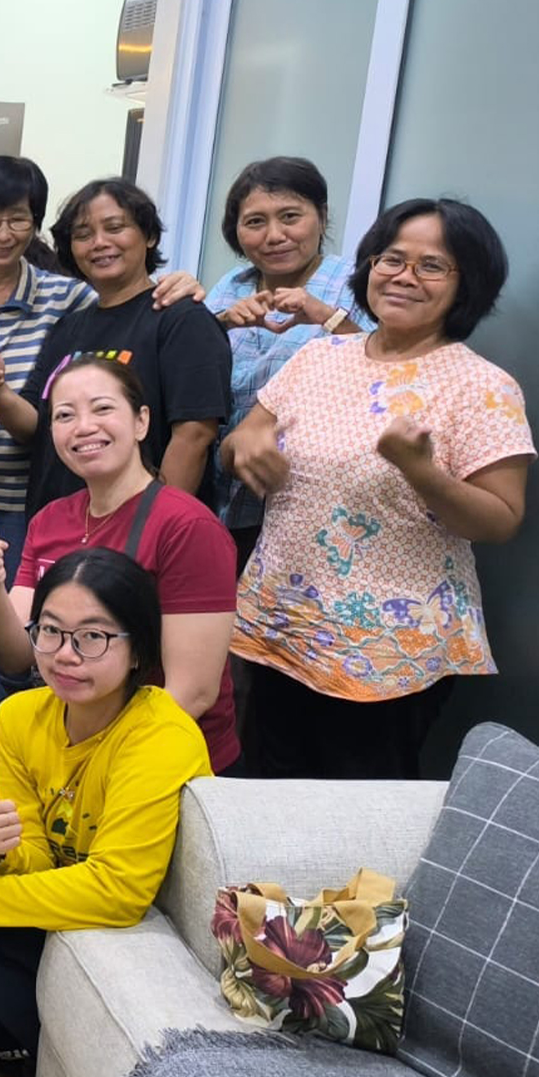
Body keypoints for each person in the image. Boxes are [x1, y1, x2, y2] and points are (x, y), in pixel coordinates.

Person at [0, 159, 208, 727]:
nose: (2, 233)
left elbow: (184, 412)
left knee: (38, 639)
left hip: (30, 504)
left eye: (18, 219)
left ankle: (16, 736)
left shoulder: (70, 300)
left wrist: (183, 283)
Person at [222, 198, 532, 780]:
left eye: (431, 265)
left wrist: (421, 471)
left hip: (388, 650)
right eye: (392, 259)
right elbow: (240, 440)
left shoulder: (482, 386)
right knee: (269, 792)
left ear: (468, 285)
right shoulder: (320, 356)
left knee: (358, 810)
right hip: (281, 626)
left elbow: (501, 519)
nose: (404, 276)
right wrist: (246, 444)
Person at [0, 547, 213, 1054]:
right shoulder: (20, 717)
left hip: (138, 934)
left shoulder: (161, 736)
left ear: (138, 650)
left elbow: (118, 892)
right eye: (50, 630)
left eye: (92, 637)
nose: (65, 654)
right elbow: (38, 861)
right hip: (58, 912)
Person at [0, 357, 238, 769]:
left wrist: (97, 764)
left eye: (102, 408)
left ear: (141, 422)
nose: (84, 426)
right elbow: (17, 655)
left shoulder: (187, 527)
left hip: (163, 757)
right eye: (65, 415)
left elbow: (193, 693)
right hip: (72, 746)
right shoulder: (50, 520)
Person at [0, 178, 230, 516]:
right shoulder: (67, 328)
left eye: (115, 227)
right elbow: (37, 425)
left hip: (137, 526)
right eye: (83, 235)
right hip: (60, 525)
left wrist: (150, 527)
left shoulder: (181, 319)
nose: (99, 243)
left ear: (148, 236)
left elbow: (194, 435)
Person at [204, 157, 374, 566]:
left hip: (306, 505)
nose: (275, 236)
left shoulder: (356, 284)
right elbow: (191, 366)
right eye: (255, 222)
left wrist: (326, 316)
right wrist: (221, 323)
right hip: (216, 493)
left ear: (322, 217)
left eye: (290, 216)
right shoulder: (230, 287)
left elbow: (385, 370)